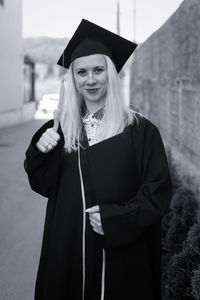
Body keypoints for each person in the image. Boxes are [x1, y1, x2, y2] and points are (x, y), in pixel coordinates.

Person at [24, 19, 172, 300]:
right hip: (67, 251)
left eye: (98, 70)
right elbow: (42, 185)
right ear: (73, 79)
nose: (90, 80)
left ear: (111, 74)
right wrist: (40, 152)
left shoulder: (140, 130)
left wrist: (117, 220)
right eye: (81, 72)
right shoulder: (60, 129)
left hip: (122, 257)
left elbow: (158, 193)